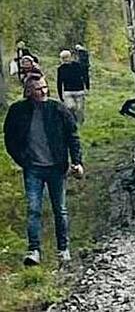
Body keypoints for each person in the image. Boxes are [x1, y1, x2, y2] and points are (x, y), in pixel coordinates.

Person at [3, 75, 84, 265]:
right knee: (33, 209)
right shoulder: (18, 111)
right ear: (29, 91)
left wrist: (77, 161)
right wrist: (22, 159)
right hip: (33, 168)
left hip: (56, 168)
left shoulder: (57, 109)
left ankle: (63, 249)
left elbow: (73, 136)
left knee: (60, 209)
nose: (44, 91)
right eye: (39, 89)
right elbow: (10, 138)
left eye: (45, 87)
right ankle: (33, 250)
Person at [57, 50, 89, 126]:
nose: (65, 59)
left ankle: (80, 124)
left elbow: (85, 75)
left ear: (70, 57)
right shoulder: (61, 68)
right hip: (68, 92)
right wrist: (60, 95)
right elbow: (59, 82)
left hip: (79, 90)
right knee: (71, 107)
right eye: (63, 58)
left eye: (66, 57)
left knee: (80, 109)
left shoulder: (77, 65)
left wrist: (87, 86)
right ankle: (73, 121)